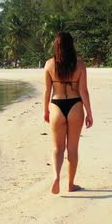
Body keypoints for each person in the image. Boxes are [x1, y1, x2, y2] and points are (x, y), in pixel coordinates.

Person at [43, 32, 93, 194]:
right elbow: (83, 91)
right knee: (72, 149)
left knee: (57, 148)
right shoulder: (79, 65)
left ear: (56, 46)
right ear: (71, 45)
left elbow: (47, 90)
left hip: (56, 106)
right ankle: (70, 184)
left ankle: (56, 177)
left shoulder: (49, 64)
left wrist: (45, 110)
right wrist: (89, 113)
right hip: (75, 105)